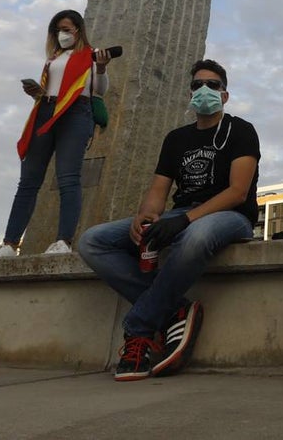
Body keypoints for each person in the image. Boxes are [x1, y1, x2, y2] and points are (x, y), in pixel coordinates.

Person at [77, 59, 260, 381]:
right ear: (189, 93)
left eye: (213, 85)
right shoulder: (176, 138)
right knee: (93, 241)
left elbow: (237, 192)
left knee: (195, 237)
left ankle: (139, 329)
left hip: (230, 216)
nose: (204, 90)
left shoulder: (241, 130)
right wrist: (145, 216)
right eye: (197, 85)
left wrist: (185, 220)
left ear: (225, 95)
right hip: (182, 212)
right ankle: (174, 308)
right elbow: (158, 190)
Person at [0, 10, 112, 257]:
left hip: (75, 112)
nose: (61, 34)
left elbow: (100, 89)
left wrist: (102, 68)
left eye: (66, 29)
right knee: (28, 181)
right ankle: (10, 243)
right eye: (57, 30)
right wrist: (36, 93)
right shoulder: (53, 58)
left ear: (78, 30)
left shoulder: (91, 54)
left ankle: (63, 241)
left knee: (68, 177)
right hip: (45, 109)